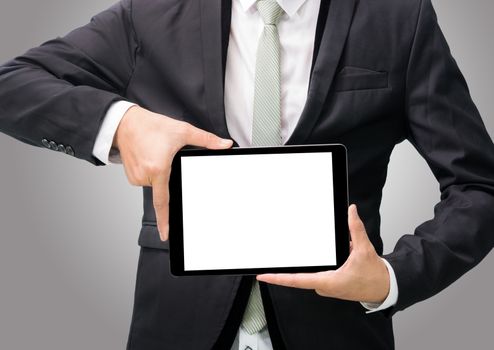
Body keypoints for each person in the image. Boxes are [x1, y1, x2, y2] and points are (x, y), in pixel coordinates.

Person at [0, 0, 493, 349]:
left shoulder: (398, 18)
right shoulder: (150, 13)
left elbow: (479, 185)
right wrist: (123, 123)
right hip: (178, 327)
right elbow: (13, 86)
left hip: (336, 330)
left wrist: (390, 278)